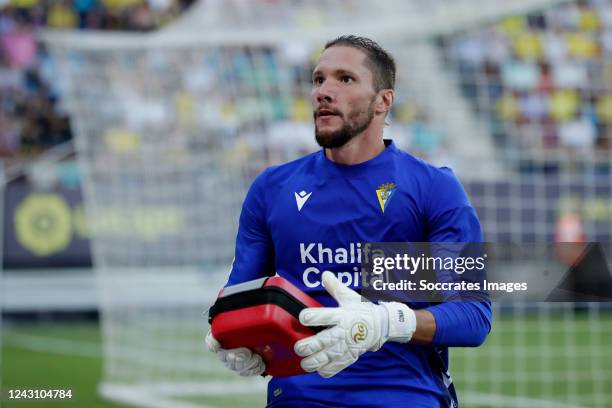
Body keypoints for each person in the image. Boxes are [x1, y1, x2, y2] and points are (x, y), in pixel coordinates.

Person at [206, 35, 492, 408]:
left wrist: (385, 323)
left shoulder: (434, 188)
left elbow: (473, 315)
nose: (324, 91)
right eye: (318, 79)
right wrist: (227, 335)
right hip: (297, 401)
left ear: (383, 101)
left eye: (345, 79)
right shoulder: (271, 189)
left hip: (405, 398)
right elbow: (239, 296)